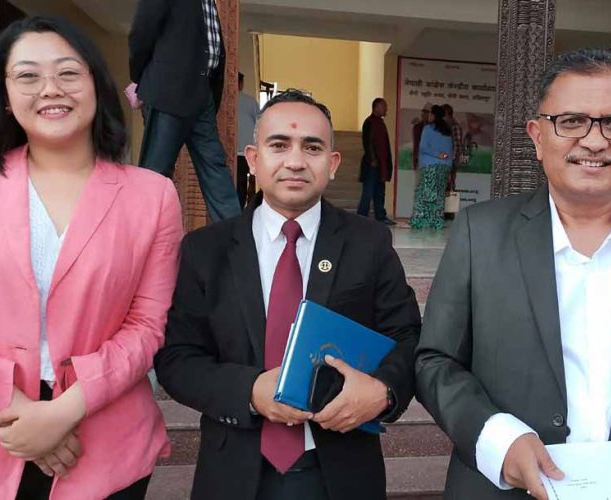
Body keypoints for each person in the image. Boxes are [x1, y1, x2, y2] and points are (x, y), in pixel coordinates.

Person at [415, 48, 611, 500]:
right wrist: (500, 439)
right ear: (537, 136)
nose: (595, 141)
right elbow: (435, 361)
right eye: (571, 121)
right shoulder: (480, 234)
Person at [0, 16, 183, 499]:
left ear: (96, 86)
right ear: (6, 95)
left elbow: (148, 325)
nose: (50, 88)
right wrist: (22, 416)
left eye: (68, 72)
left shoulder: (153, 196)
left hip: (103, 440)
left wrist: (62, 413)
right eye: (28, 75)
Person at [154, 89, 422, 500]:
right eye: (279, 145)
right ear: (252, 158)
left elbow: (407, 337)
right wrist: (249, 392)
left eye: (312, 147)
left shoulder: (368, 243)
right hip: (234, 470)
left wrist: (383, 391)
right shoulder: (206, 250)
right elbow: (177, 359)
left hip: (341, 469)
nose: (295, 161)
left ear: (333, 163)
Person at [129, 0, 241, 222]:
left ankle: (235, 234)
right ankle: (143, 234)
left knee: (215, 168)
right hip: (169, 91)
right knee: (155, 173)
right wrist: (143, 78)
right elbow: (142, 31)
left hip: (203, 95)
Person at [409, 105, 454, 230]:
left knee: (424, 194)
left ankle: (419, 222)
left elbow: (423, 148)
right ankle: (436, 223)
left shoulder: (428, 129)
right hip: (444, 167)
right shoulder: (447, 130)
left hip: (430, 166)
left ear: (433, 115)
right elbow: (450, 151)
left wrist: (437, 154)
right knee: (439, 195)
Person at [357, 97, 395, 225]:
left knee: (380, 191)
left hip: (381, 165)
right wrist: (372, 158)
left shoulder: (380, 123)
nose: (386, 110)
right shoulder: (369, 122)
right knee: (368, 191)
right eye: (384, 107)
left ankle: (380, 216)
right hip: (372, 164)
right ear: (377, 107)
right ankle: (362, 216)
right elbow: (367, 142)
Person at [237, 72, 260, 207]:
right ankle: (245, 208)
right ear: (241, 84)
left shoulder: (223, 100)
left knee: (234, 183)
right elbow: (260, 124)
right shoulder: (251, 102)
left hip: (230, 151)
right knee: (246, 183)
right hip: (247, 150)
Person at [442, 103, 464, 191]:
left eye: (443, 115)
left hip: (450, 161)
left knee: (449, 186)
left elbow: (457, 146)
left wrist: (452, 160)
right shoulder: (443, 127)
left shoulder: (455, 127)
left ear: (448, 115)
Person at [411, 102, 431, 170]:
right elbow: (416, 144)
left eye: (426, 112)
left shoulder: (435, 128)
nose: (423, 114)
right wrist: (414, 161)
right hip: (420, 160)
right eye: (423, 112)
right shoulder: (417, 127)